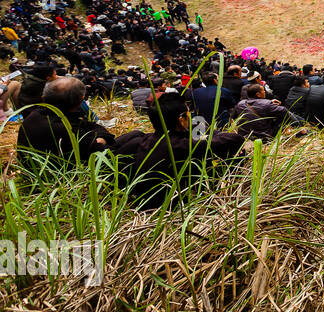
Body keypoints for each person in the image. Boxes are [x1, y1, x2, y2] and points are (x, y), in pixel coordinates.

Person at [114, 92, 245, 211]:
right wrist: (206, 136)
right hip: (165, 208)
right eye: (188, 114)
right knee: (230, 154)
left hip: (141, 200)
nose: (190, 116)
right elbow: (235, 139)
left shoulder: (146, 140)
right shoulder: (179, 146)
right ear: (181, 119)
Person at [17, 76, 117, 164]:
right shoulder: (65, 128)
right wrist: (101, 140)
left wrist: (99, 138)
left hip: (40, 168)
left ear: (43, 98)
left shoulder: (36, 115)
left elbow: (92, 126)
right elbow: (101, 150)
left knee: (132, 136)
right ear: (81, 101)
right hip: (60, 174)